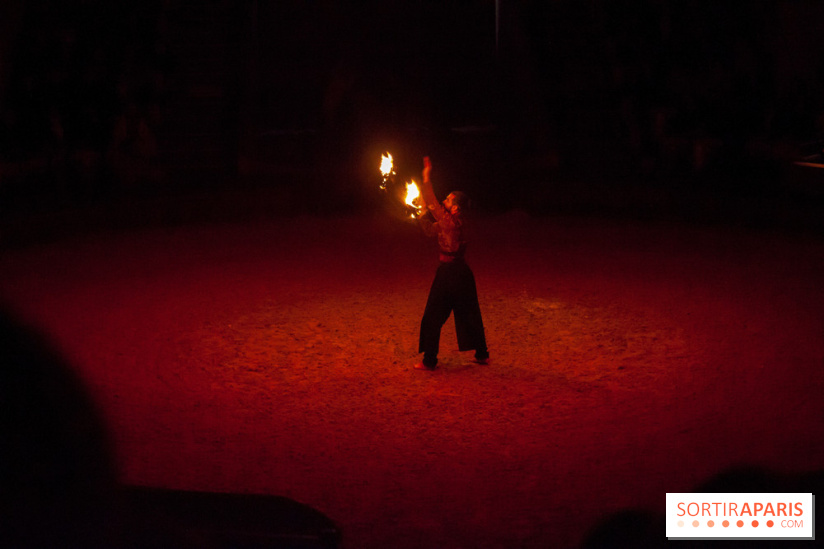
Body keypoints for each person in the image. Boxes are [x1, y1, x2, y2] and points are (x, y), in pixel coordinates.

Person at [415, 156, 489, 370]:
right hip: (461, 273)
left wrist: (426, 178)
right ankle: (482, 354)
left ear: (455, 207)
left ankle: (429, 361)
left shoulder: (451, 221)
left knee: (433, 315)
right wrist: (419, 213)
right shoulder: (451, 222)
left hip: (449, 274)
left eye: (448, 200)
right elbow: (430, 230)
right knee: (470, 313)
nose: (445, 202)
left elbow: (432, 203)